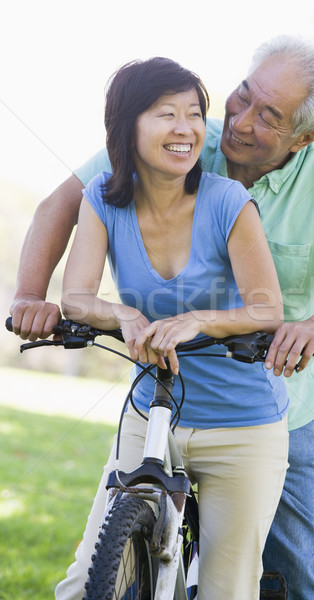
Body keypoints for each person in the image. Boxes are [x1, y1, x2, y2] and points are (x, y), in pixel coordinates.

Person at [9, 35, 314, 599]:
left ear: (306, 136)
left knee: (286, 576)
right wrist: (30, 295)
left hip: (275, 402)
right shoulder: (183, 139)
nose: (239, 120)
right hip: (163, 395)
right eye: (242, 96)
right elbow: (61, 206)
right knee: (104, 567)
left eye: (269, 115)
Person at [56, 56, 289, 600]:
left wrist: (196, 321)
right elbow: (75, 296)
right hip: (152, 410)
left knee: (226, 589)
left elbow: (267, 308)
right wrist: (124, 315)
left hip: (243, 425)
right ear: (127, 126)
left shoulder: (227, 200)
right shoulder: (102, 199)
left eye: (194, 114)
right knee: (87, 579)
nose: (186, 129)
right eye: (166, 114)